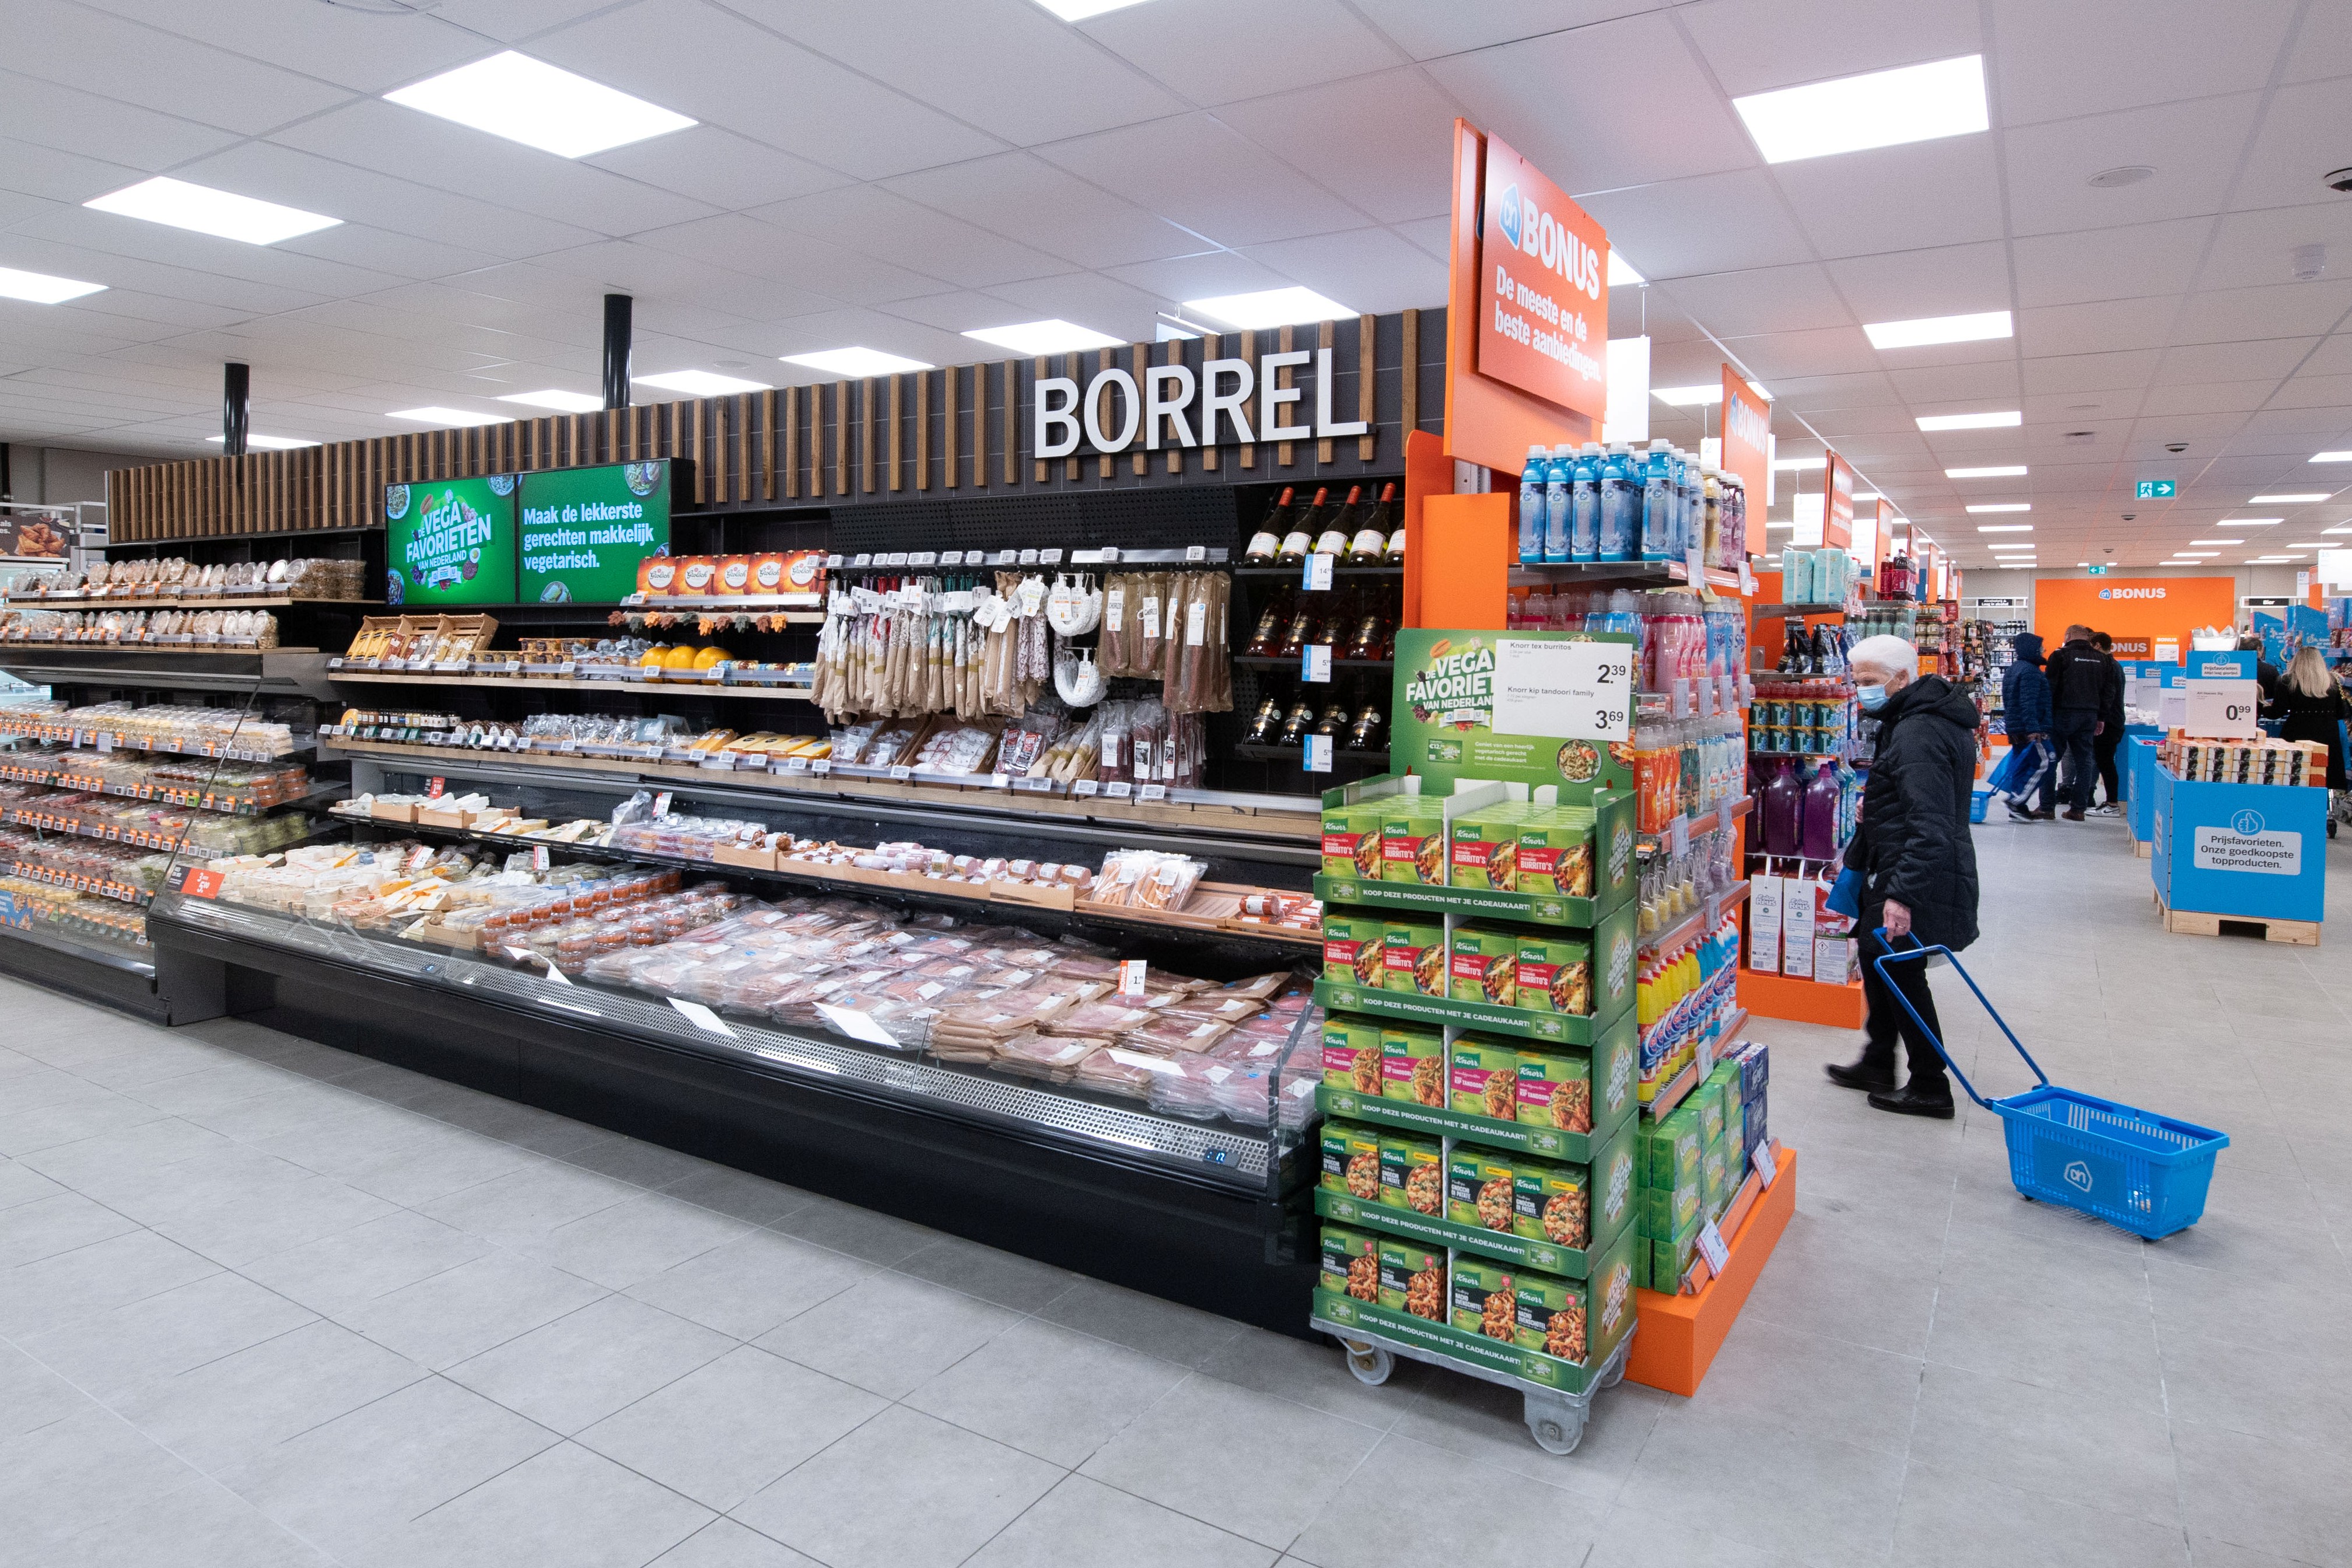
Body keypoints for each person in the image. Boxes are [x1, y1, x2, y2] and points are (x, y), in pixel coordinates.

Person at [1826, 634, 1981, 1118]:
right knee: (1880, 963)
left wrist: (1901, 895)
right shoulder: (1912, 719)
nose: (1862, 691)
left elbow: (1931, 823)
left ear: (1903, 678)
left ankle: (1931, 1086)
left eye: (1871, 682)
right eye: (1857, 682)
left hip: (1916, 873)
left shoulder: (1918, 731)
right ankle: (1877, 1062)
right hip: (1901, 862)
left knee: (1902, 973)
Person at [2043, 625, 2120, 821]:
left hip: (2063, 715)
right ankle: (2078, 809)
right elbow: (2108, 691)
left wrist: (2046, 717)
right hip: (2090, 716)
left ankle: (2046, 807)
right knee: (2085, 762)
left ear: (2068, 636)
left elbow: (2050, 688)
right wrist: (2101, 717)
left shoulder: (2060, 655)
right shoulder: (2103, 660)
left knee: (2051, 759)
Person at [2263, 646, 2352, 791]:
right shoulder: (2332, 681)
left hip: (2297, 733)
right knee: (2324, 775)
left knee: (2296, 774)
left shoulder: (2287, 681)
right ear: (2320, 661)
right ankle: (2323, 810)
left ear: (2297, 661)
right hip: (2328, 734)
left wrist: (2261, 706)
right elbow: (2341, 713)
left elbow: (2276, 712)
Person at [1999, 631, 2055, 821]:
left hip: (2016, 727)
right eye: (2040, 647)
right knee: (2046, 761)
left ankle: (2018, 809)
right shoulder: (2030, 672)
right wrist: (2033, 728)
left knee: (2023, 765)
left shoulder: (2015, 669)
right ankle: (2016, 801)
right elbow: (2028, 702)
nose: (2044, 650)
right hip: (2030, 728)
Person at [2088, 631, 2126, 815]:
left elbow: (2108, 695)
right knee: (2105, 762)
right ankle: (2110, 803)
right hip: (2113, 720)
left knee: (2106, 762)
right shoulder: (2115, 665)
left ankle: (2112, 804)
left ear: (2097, 645)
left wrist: (2100, 718)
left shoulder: (2108, 666)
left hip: (2110, 723)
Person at [2240, 634, 2282, 702]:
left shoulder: (2233, 670)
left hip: (2241, 708)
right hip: (2264, 709)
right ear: (2258, 649)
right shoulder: (2270, 670)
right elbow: (2278, 695)